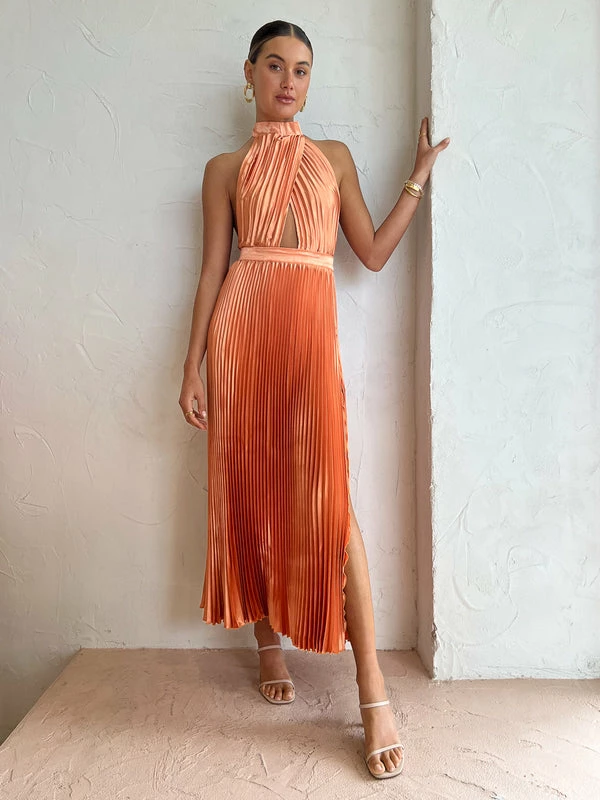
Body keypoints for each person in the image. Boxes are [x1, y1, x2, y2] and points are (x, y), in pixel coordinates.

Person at [179, 19, 450, 780]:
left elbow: (372, 253)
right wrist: (192, 365)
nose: (288, 81)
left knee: (331, 508)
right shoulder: (223, 168)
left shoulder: (333, 159)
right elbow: (212, 270)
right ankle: (266, 639)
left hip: (306, 344)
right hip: (242, 337)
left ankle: (372, 688)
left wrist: (417, 177)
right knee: (252, 491)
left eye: (301, 69)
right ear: (250, 74)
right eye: (274, 66)